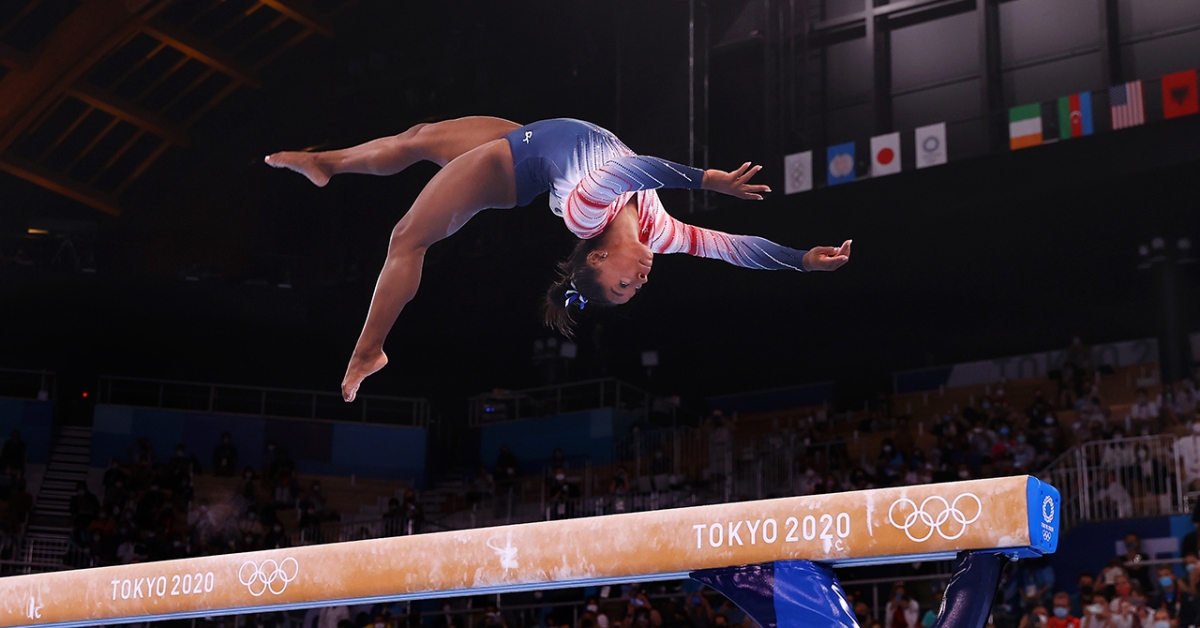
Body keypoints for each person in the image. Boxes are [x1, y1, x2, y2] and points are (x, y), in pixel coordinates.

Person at [267, 117, 851, 401]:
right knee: (419, 136)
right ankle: (329, 163)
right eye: (635, 290)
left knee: (405, 239)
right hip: (533, 137)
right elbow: (734, 249)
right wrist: (801, 260)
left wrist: (707, 181)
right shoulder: (656, 228)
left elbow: (630, 168)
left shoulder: (585, 211)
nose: (639, 281)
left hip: (507, 167)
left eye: (622, 286)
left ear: (596, 259)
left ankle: (368, 351)